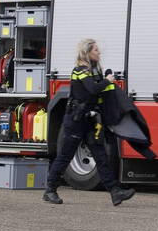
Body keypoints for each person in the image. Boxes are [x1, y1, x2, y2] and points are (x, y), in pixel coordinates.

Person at [43, 39, 135, 206]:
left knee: (101, 156)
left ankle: (115, 192)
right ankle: (50, 190)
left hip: (91, 121)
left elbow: (100, 93)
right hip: (75, 120)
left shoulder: (94, 71)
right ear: (87, 52)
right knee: (65, 156)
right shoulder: (80, 70)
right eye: (96, 50)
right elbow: (92, 88)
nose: (99, 53)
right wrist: (107, 81)